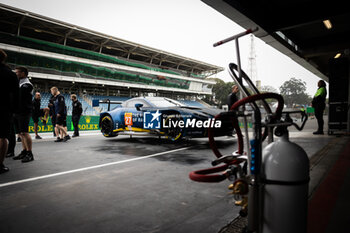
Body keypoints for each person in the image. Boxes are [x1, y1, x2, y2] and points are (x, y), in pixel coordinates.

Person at [0, 49, 19, 173]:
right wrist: (13, 111)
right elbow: (16, 95)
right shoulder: (10, 74)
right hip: (4, 109)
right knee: (3, 137)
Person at [12, 66, 34, 162]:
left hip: (24, 111)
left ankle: (30, 153)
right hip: (17, 111)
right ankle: (24, 151)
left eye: (18, 72)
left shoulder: (27, 84)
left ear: (23, 73)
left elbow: (20, 97)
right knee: (20, 134)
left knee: (25, 132)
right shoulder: (19, 83)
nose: (16, 74)